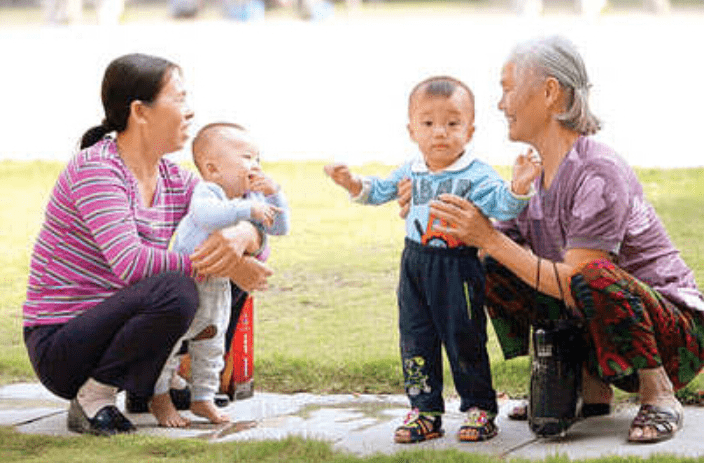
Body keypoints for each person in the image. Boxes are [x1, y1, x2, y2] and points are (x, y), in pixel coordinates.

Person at [420, 36, 704, 444]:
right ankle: (587, 387)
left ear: (550, 92)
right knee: (491, 267)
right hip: (610, 334)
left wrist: (492, 240)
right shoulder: (533, 176)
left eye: (507, 88)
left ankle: (659, 393)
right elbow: (489, 245)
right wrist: (430, 206)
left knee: (590, 276)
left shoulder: (598, 171)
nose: (501, 104)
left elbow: (580, 279)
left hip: (676, 337)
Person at [22, 53, 272, 436]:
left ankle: (151, 384)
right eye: (179, 99)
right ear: (141, 111)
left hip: (115, 328)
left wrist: (246, 237)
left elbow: (256, 260)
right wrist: (227, 261)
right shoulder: (97, 170)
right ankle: (94, 397)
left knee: (227, 271)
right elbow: (130, 263)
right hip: (62, 344)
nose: (190, 113)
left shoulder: (177, 180)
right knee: (177, 288)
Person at [324, 76, 541, 443]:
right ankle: (424, 410)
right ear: (412, 130)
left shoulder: (476, 174)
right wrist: (351, 183)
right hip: (414, 263)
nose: (440, 132)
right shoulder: (411, 170)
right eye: (428, 123)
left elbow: (503, 205)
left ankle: (479, 408)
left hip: (457, 265)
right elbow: (379, 191)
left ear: (469, 131)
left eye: (452, 123)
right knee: (415, 336)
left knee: (464, 337)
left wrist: (519, 185)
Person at [151, 122, 290, 427]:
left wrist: (273, 193)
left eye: (258, 159)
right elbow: (206, 216)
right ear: (213, 169)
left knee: (212, 344)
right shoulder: (208, 191)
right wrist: (247, 211)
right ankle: (159, 398)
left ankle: (203, 399)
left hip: (217, 289)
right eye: (246, 158)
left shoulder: (248, 199)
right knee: (173, 345)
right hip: (186, 287)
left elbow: (280, 227)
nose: (255, 165)